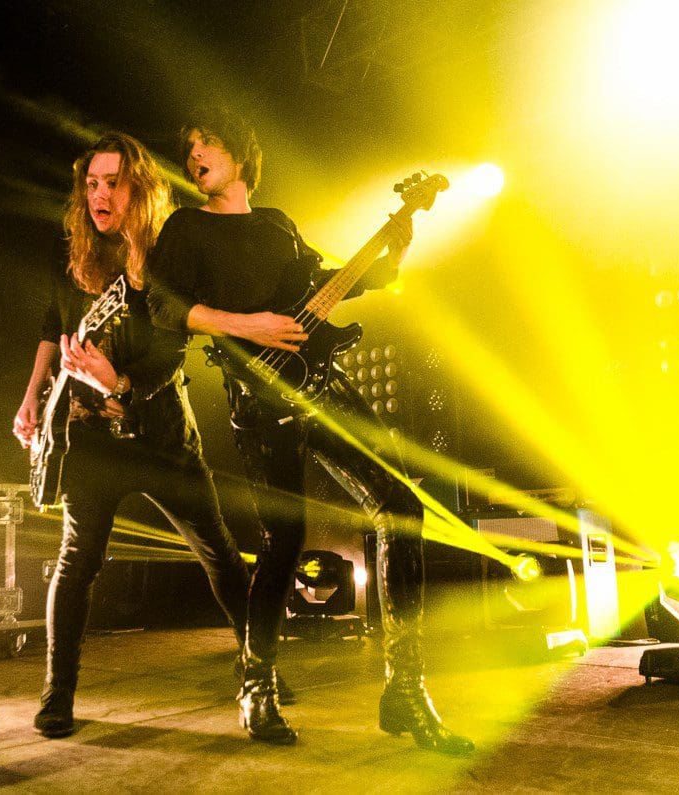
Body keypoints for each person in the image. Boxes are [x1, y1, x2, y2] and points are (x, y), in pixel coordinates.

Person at [146, 108, 473, 754]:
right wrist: (251, 327)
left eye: (207, 142)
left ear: (240, 153)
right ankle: (257, 687)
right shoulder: (187, 228)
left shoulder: (276, 225)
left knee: (401, 505)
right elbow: (162, 307)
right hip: (258, 395)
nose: (194, 154)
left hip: (320, 382)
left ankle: (406, 688)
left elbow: (332, 287)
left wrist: (396, 242)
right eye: (189, 147)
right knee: (286, 538)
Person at [14, 132, 256, 739]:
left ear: (139, 189)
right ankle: (57, 696)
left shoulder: (169, 253)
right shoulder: (73, 250)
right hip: (90, 438)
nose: (99, 195)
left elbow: (174, 349)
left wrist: (119, 381)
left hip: (161, 434)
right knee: (77, 561)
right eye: (92, 184)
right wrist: (31, 395)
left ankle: (260, 671)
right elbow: (53, 325)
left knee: (217, 551)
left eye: (113, 183)